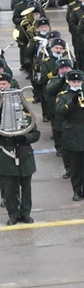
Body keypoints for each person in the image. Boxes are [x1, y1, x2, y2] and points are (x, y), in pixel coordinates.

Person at [0, 74, 40, 225]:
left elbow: (35, 133)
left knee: (26, 188)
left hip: (24, 153)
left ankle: (25, 213)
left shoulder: (21, 108)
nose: (1, 86)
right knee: (9, 189)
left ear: (9, 85)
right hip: (5, 153)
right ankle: (12, 214)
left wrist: (24, 138)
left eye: (4, 83)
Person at [55, 70, 84, 201]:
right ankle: (76, 190)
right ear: (68, 82)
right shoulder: (63, 95)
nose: (76, 83)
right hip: (71, 130)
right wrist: (72, 102)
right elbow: (60, 111)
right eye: (73, 81)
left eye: (78, 81)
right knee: (74, 166)